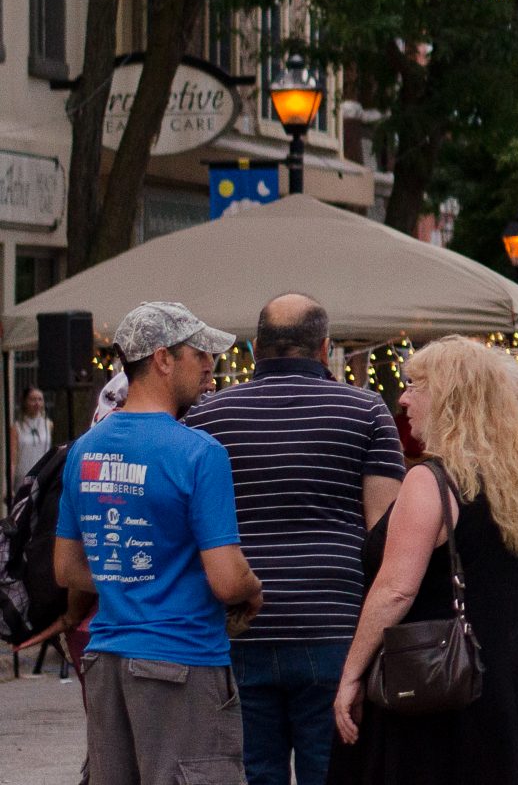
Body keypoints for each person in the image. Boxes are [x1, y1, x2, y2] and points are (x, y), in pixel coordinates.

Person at [186, 294, 405, 785]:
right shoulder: (367, 412)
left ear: (256, 347)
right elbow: (384, 534)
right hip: (336, 628)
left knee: (252, 772)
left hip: (239, 628)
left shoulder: (207, 418)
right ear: (325, 348)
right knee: (330, 773)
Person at [54, 302, 262, 785]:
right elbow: (228, 580)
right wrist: (253, 589)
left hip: (107, 664)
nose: (211, 364)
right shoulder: (199, 452)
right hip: (183, 662)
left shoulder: (85, 449)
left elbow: (66, 569)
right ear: (164, 359)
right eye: (199, 353)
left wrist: (128, 572)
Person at [331, 335, 518, 784]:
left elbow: (395, 589)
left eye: (415, 385)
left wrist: (351, 673)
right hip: (505, 677)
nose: (404, 398)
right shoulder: (515, 475)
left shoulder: (431, 481)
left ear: (450, 396)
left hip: (438, 681)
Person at [14, 382, 51, 489]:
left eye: (40, 399)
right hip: (23, 476)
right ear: (25, 402)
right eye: (33, 399)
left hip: (42, 475)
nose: (37, 403)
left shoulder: (48, 424)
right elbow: (13, 459)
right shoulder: (17, 427)